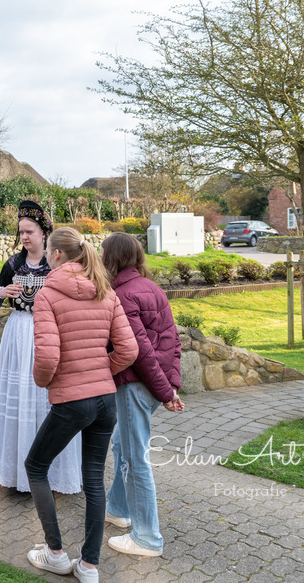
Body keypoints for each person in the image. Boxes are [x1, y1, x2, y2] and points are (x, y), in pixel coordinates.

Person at [24, 227, 138, 581]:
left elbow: (46, 358)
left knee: (36, 466)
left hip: (72, 400)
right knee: (93, 479)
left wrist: (46, 382)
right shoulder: (106, 291)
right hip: (105, 401)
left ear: (56, 255)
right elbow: (129, 350)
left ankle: (55, 553)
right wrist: (103, 371)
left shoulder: (47, 295)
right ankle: (89, 566)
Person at [0, 200, 82, 494]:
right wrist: (2, 292)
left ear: (44, 233)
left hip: (49, 332)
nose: (24, 237)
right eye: (21, 232)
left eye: (30, 231)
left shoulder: (57, 263)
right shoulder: (13, 264)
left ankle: (51, 474)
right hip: (18, 332)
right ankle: (15, 472)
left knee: (47, 400)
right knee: (19, 397)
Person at [101, 232, 184, 558]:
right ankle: (119, 509)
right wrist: (170, 385)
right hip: (153, 385)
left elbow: (139, 353)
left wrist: (165, 392)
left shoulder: (122, 295)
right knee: (123, 444)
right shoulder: (151, 288)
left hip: (137, 385)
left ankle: (147, 537)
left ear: (113, 258)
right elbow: (172, 342)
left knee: (136, 459)